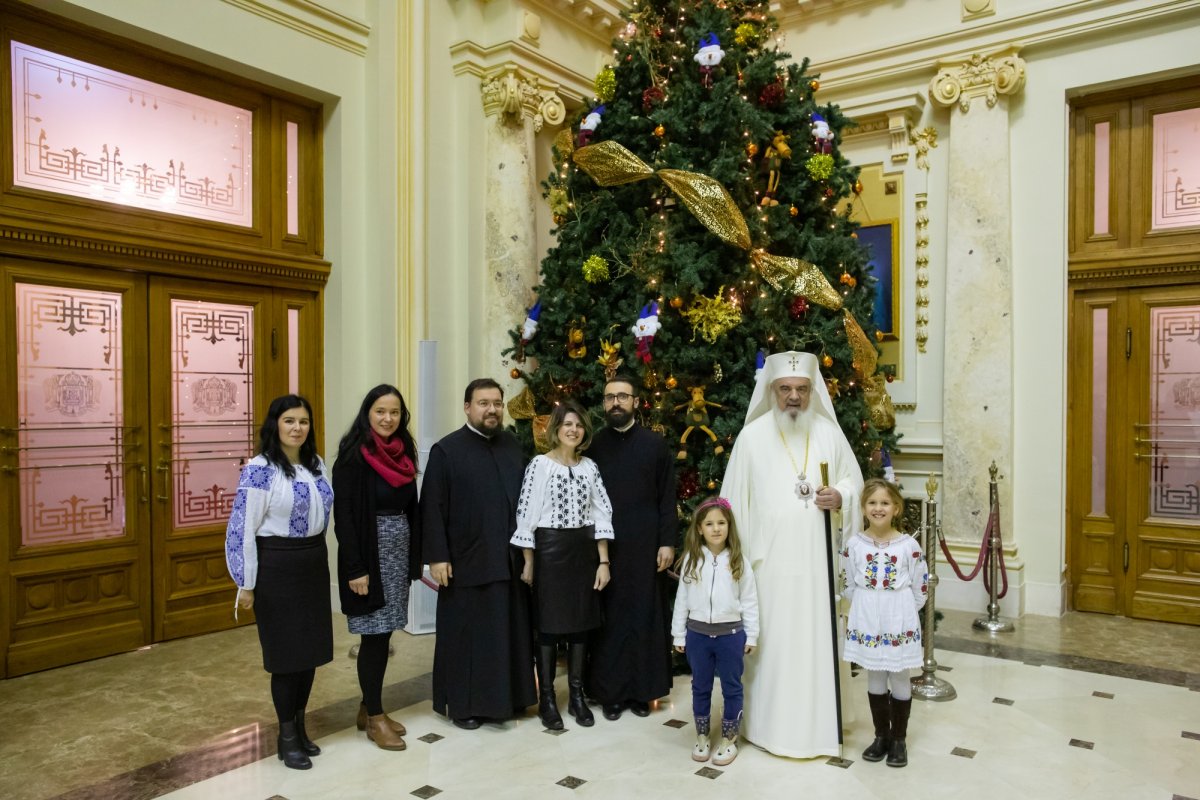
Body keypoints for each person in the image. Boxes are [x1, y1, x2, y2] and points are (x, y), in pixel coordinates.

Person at [720, 350, 864, 759]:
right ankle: (767, 727)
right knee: (774, 647)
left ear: (812, 391)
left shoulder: (829, 434)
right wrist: (738, 564)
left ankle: (817, 729)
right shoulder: (752, 438)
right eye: (785, 389)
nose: (794, 397)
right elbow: (731, 503)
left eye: (802, 389)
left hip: (818, 566)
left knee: (815, 642)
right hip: (769, 568)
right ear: (772, 390)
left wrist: (841, 496)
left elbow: (855, 485)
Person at [225, 394, 334, 771]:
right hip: (277, 569)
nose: (297, 428)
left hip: (312, 565)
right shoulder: (259, 469)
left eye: (303, 421)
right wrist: (247, 582)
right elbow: (243, 528)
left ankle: (301, 728)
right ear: (275, 425)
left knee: (309, 656)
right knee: (286, 659)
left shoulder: (316, 465)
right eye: (289, 421)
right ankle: (286, 736)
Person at [421, 378, 536, 729]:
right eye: (483, 403)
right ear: (467, 407)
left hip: (509, 561)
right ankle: (465, 706)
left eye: (497, 403)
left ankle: (511, 699)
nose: (492, 409)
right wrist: (438, 557)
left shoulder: (512, 446)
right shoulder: (447, 451)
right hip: (466, 563)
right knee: (468, 638)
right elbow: (432, 509)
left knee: (508, 634)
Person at [511, 400, 613, 730]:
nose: (573, 429)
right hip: (551, 551)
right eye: (567, 424)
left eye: (579, 425)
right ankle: (548, 701)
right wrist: (529, 562)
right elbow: (526, 515)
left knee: (581, 625)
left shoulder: (590, 468)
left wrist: (603, 561)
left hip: (583, 552)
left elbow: (601, 515)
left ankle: (578, 697)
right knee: (549, 628)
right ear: (556, 429)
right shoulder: (540, 465)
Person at [332, 384, 422, 752]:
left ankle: (367, 707)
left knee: (385, 634)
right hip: (368, 555)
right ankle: (375, 718)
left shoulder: (404, 454)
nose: (388, 418)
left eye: (395, 412)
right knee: (373, 636)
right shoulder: (353, 457)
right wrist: (356, 568)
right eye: (380, 411)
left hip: (397, 552)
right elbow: (345, 519)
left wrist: (414, 559)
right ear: (367, 413)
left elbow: (412, 510)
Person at [586, 375, 676, 721]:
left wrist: (667, 541)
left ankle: (642, 692)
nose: (616, 403)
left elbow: (667, 498)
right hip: (605, 548)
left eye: (623, 396)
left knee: (644, 617)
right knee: (609, 620)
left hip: (646, 546)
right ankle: (610, 693)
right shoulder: (593, 446)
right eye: (609, 398)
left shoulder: (655, 446)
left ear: (637, 402)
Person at [841, 478, 927, 768]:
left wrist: (900, 610)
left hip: (899, 617)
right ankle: (881, 736)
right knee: (875, 675)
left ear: (896, 508)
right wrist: (866, 607)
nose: (879, 508)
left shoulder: (908, 546)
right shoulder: (855, 545)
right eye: (872, 503)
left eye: (885, 503)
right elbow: (848, 583)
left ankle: (899, 739)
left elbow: (920, 587)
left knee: (900, 675)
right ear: (864, 508)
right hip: (867, 617)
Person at [671, 497, 759, 767]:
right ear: (699, 529)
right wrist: (678, 634)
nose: (716, 528)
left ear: (729, 527)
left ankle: (730, 737)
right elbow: (682, 600)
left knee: (732, 686)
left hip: (731, 636)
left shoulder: (739, 562)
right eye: (709, 524)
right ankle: (702, 736)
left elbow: (750, 601)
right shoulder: (691, 561)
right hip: (697, 636)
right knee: (701, 686)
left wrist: (751, 634)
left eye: (721, 523)